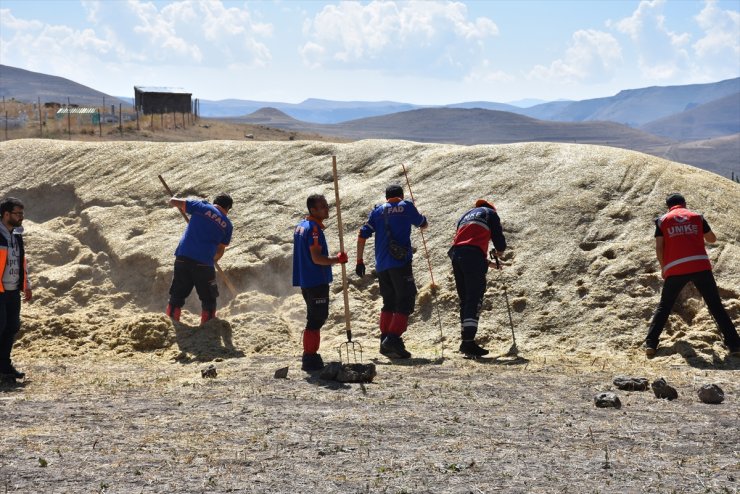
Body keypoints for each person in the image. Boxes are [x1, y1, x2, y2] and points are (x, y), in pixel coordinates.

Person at [644, 193, 740, 357]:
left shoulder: (662, 221)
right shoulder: (697, 217)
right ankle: (735, 346)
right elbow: (711, 239)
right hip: (700, 265)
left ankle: (651, 344)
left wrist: (663, 267)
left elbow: (659, 247)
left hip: (675, 268)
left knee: (665, 306)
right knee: (715, 305)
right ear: (684, 204)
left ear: (669, 206)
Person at [355, 184, 428, 359]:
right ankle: (393, 338)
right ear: (401, 196)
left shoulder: (377, 211)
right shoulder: (406, 206)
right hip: (400, 263)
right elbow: (422, 224)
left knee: (389, 302)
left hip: (381, 265)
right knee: (406, 300)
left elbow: (362, 234)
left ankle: (384, 342)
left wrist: (359, 260)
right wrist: (421, 218)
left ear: (386, 197)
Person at [293, 194, 348, 371]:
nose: (327, 208)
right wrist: (337, 260)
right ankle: (309, 356)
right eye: (322, 206)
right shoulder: (313, 230)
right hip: (315, 279)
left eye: (326, 205)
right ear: (313, 210)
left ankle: (310, 355)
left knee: (315, 317)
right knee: (316, 318)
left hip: (306, 279)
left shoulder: (301, 226)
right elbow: (317, 258)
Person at [448, 199, 507, 357]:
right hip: (473, 256)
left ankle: (465, 341)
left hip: (457, 256)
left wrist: (487, 263)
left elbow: (465, 245)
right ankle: (468, 343)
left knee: (465, 299)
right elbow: (498, 238)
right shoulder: (490, 213)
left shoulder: (465, 216)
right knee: (474, 298)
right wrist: (499, 251)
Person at [165, 193, 233, 325]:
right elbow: (220, 250)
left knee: (177, 295)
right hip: (204, 263)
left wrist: (175, 197)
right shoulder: (227, 225)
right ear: (228, 208)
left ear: (215, 202)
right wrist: (212, 261)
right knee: (209, 298)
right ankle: (207, 327)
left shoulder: (200, 206)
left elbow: (173, 201)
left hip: (182, 258)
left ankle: (171, 323)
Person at [0, 198, 32, 382]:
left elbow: (21, 261)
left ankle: (4, 367)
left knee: (12, 327)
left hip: (13, 290)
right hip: (0, 290)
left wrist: (26, 284)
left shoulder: (17, 236)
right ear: (6, 214)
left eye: (22, 214)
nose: (21, 217)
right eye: (18, 214)